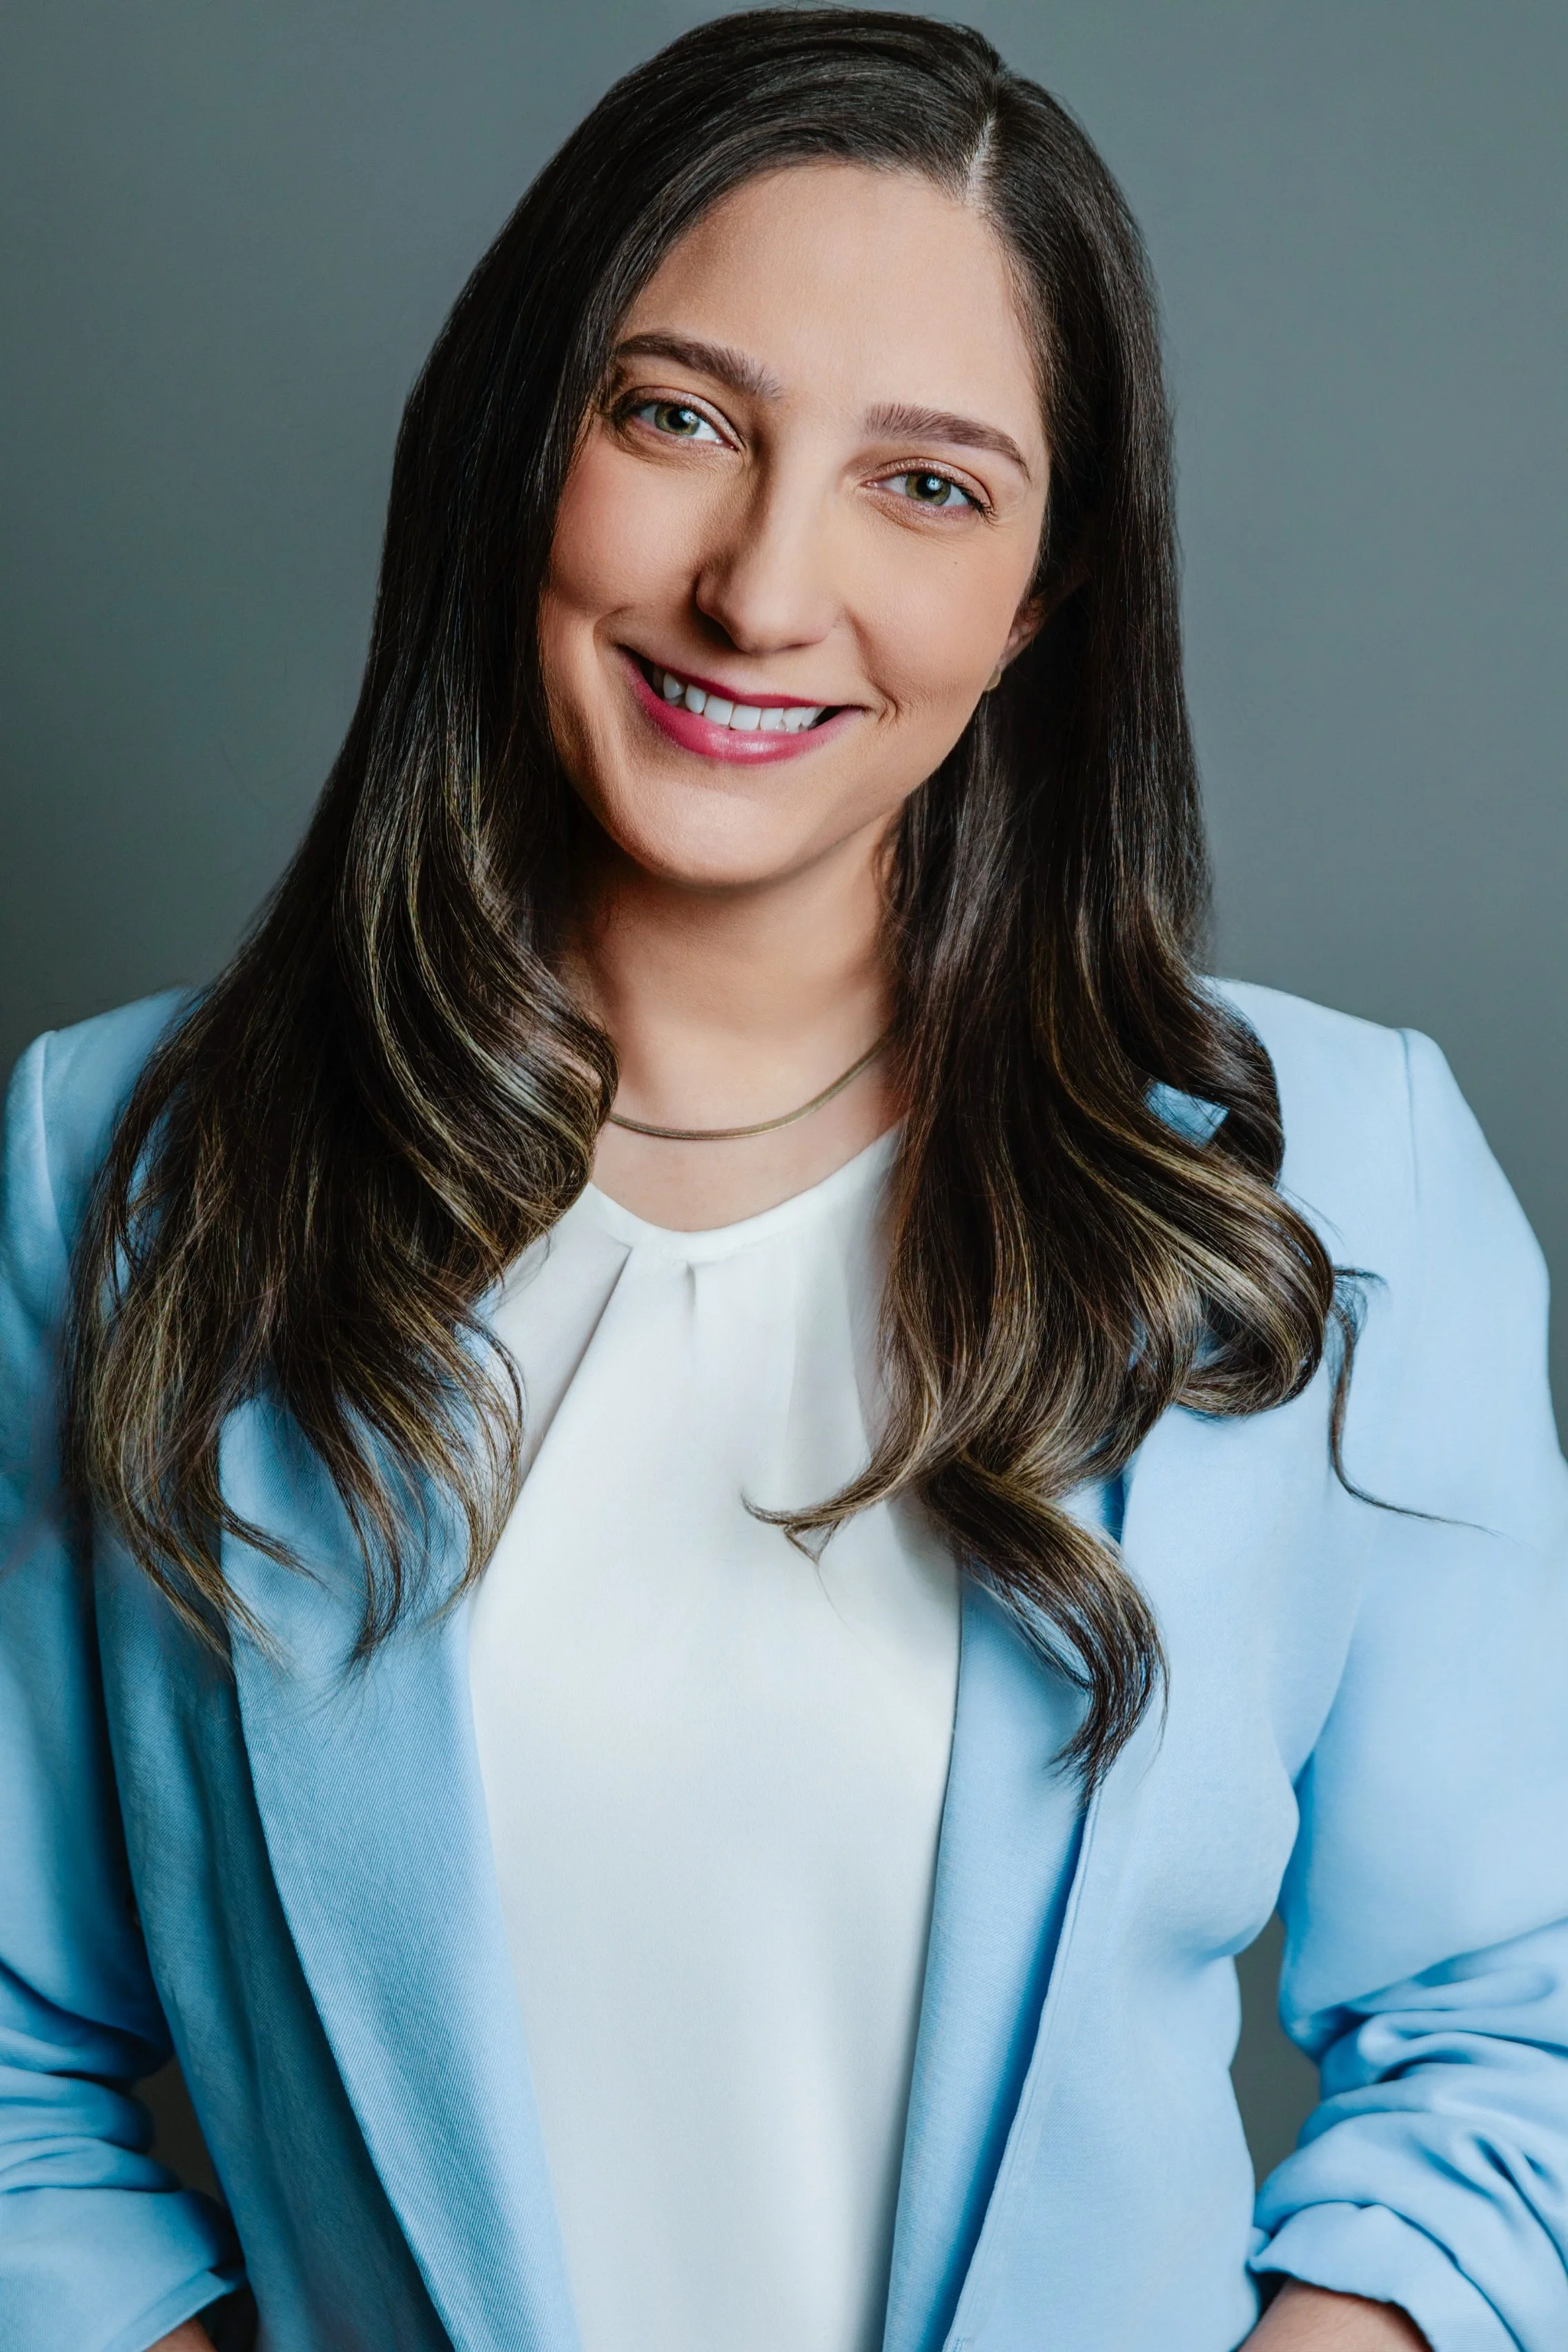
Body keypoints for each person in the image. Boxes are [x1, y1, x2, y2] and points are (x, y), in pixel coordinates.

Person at [2, 12, 1565, 2350]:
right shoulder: (122, 1176)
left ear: (1040, 603)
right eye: (679, 418)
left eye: (926, 484)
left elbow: (1512, 2046)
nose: (759, 588)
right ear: (519, 442)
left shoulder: (1341, 1190)